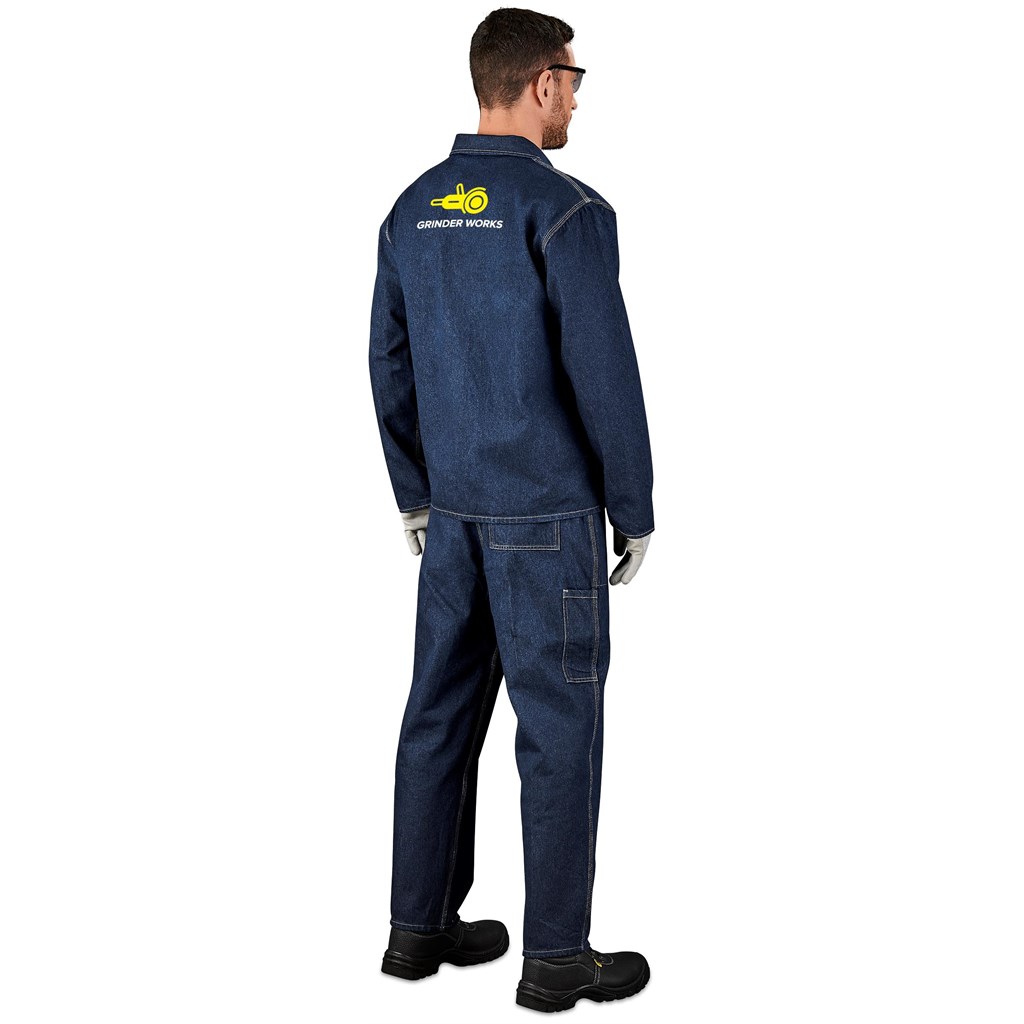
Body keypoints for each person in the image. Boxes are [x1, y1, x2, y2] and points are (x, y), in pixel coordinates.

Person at [368, 7, 654, 1013]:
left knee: (436, 719)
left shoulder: (412, 210)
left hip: (452, 518)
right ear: (540, 82)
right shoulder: (566, 211)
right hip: (547, 519)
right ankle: (556, 957)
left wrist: (414, 490)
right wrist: (633, 504)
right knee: (557, 729)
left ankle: (417, 928)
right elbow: (603, 373)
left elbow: (388, 359)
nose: (576, 97)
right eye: (573, 79)